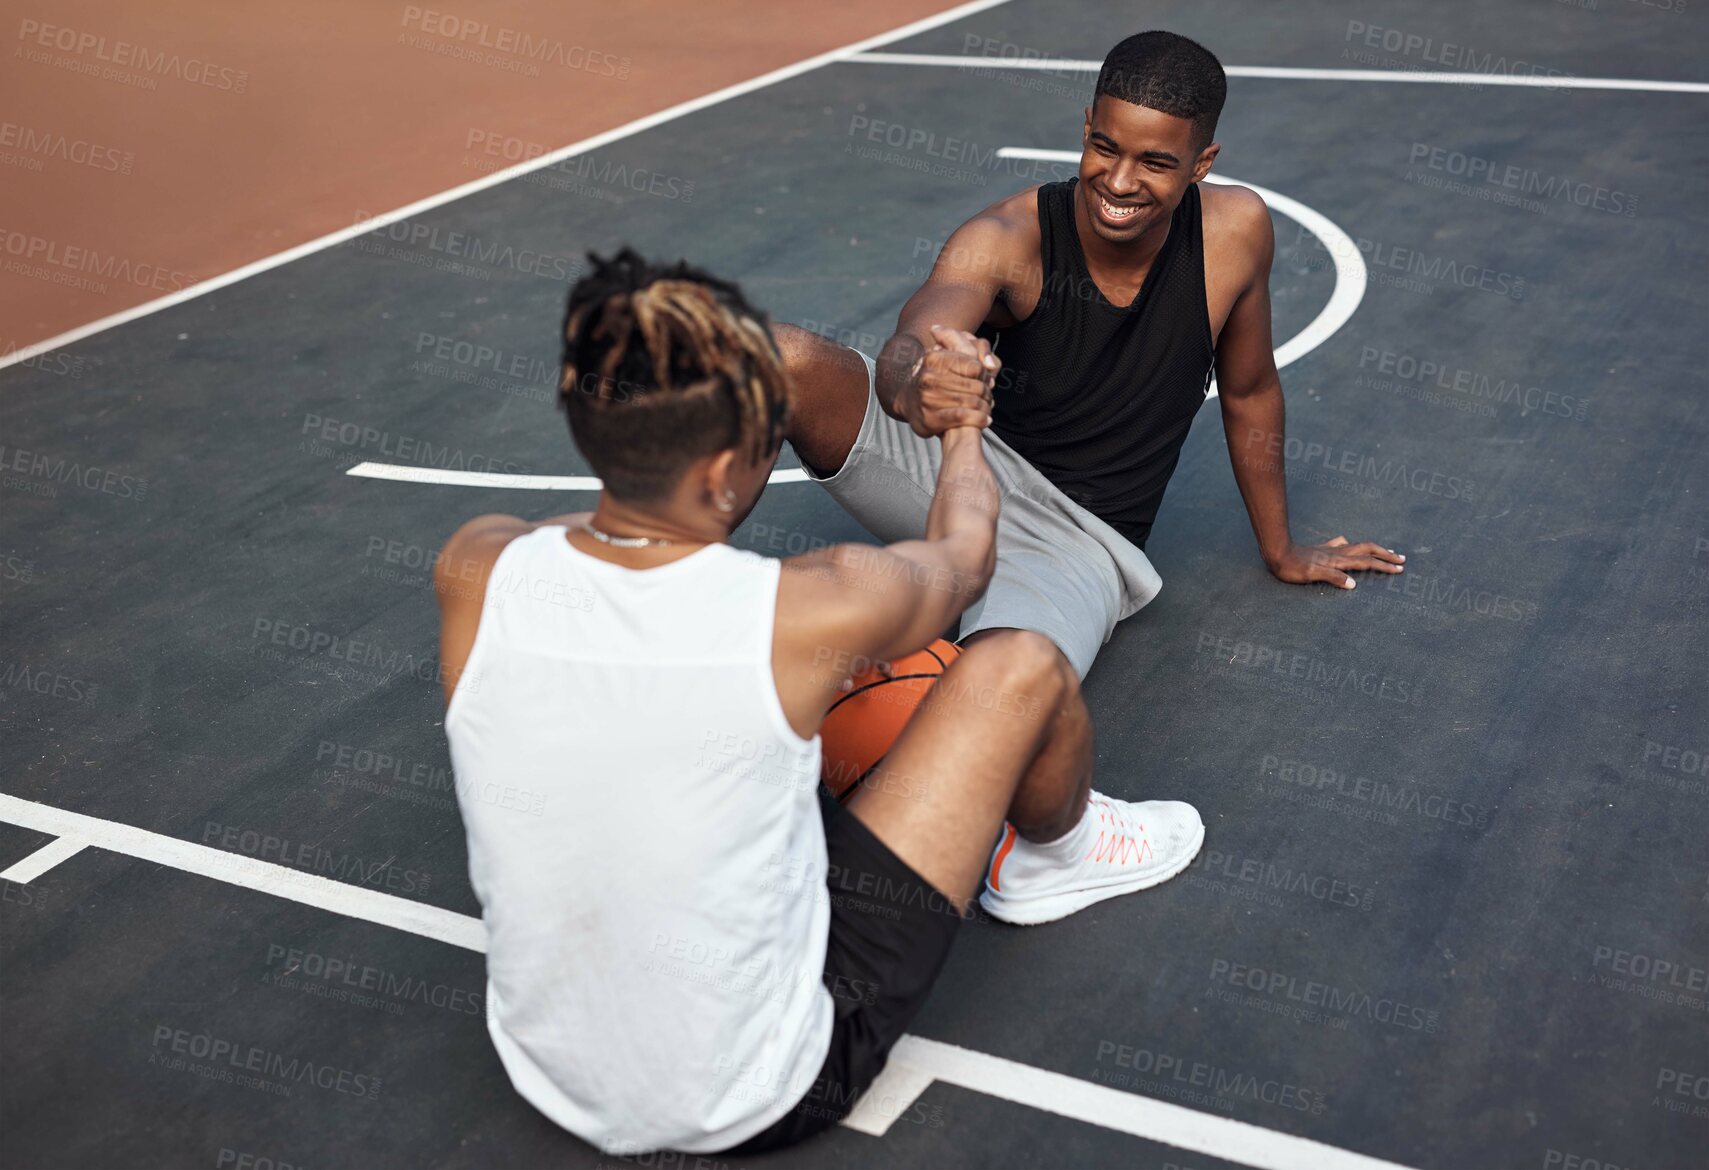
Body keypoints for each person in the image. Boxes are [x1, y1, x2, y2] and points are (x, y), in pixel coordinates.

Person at [433, 249, 1203, 1157]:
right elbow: (965, 555)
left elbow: (606, 558)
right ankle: (1059, 856)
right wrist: (961, 430)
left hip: (548, 1068)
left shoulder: (476, 563)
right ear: (731, 465)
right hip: (765, 1089)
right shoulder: (810, 604)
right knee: (1021, 667)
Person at [778, 29, 1405, 686]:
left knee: (1005, 686)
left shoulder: (1235, 232)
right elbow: (916, 336)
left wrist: (1279, 547)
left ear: (1201, 163)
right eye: (1103, 147)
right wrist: (918, 381)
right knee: (782, 358)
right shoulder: (1007, 236)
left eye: (1155, 163)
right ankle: (680, 591)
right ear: (1085, 127)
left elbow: (1248, 390)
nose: (1119, 180)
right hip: (959, 472)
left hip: (1079, 544)